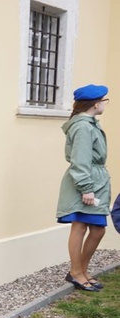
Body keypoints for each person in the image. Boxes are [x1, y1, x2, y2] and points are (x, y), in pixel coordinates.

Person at [56, 84, 111, 292]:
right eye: (104, 100)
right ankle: (77, 272)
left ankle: (80, 270)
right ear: (96, 104)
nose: (105, 103)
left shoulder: (89, 124)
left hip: (94, 179)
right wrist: (86, 188)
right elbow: (80, 159)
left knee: (97, 229)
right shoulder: (83, 127)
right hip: (86, 182)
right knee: (80, 226)